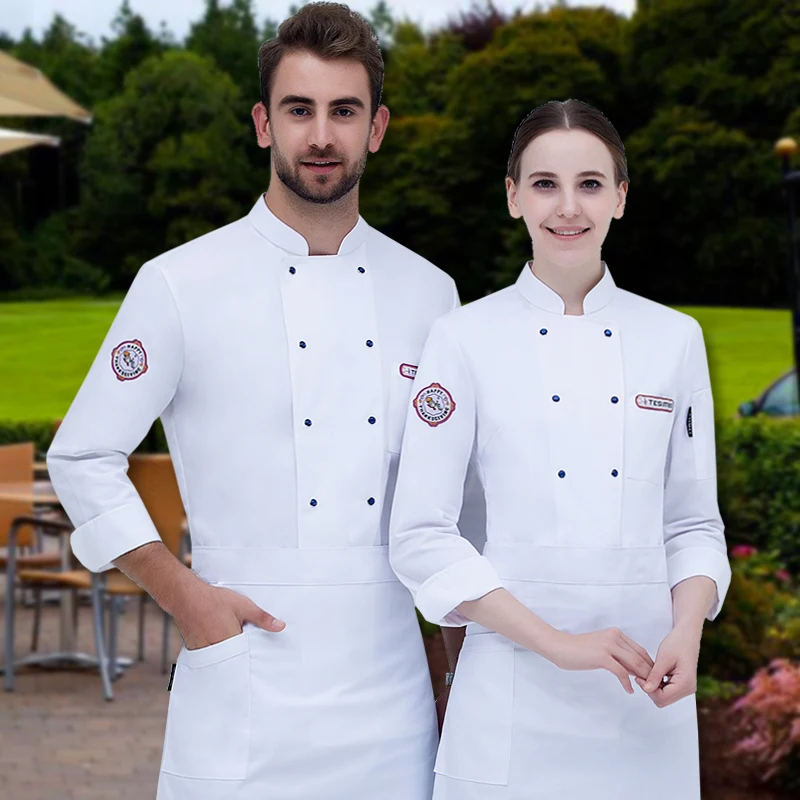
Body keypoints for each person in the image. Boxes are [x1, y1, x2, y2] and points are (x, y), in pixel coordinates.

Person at [46, 4, 481, 798]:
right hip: (240, 679)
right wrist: (184, 599)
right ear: (263, 123)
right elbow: (81, 456)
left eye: (344, 111)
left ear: (376, 128)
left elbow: (453, 503)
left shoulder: (432, 292)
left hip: (390, 692)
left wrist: (460, 673)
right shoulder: (179, 283)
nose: (322, 135)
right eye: (299, 110)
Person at [388, 99, 732, 800]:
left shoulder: (675, 339)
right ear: (513, 197)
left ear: (621, 198)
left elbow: (693, 524)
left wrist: (689, 630)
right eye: (544, 183)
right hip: (512, 695)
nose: (568, 207)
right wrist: (559, 644)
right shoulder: (462, 338)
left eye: (591, 184)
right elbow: (420, 535)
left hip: (645, 697)